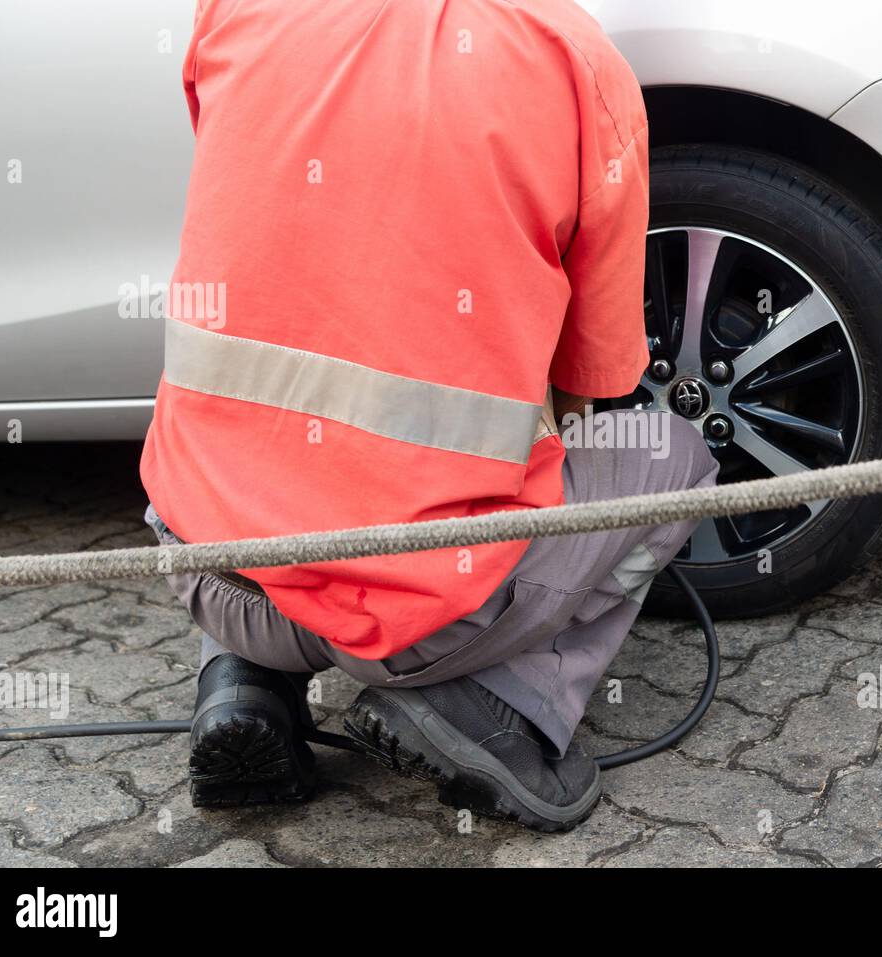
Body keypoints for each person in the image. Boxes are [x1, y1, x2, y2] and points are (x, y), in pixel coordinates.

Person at [141, 0, 717, 832]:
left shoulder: (233, 8)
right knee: (671, 455)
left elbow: (271, 213)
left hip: (206, 567)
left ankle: (240, 685)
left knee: (258, 452)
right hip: (423, 622)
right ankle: (491, 703)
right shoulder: (566, 53)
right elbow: (597, 374)